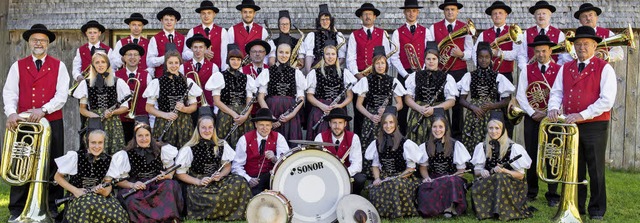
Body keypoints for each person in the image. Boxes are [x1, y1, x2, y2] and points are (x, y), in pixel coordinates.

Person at [547, 26, 617, 220]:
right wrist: (553, 107)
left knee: (595, 169)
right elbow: (556, 92)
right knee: (573, 168)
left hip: (594, 125)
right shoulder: (565, 67)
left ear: (595, 45)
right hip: (571, 124)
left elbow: (607, 100)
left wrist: (582, 114)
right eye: (578, 44)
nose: (581, 47)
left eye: (586, 44)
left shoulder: (605, 68)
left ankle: (597, 209)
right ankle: (576, 206)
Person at [3, 24, 70, 221]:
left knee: (52, 164)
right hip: (25, 124)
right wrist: (12, 113)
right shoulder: (18, 65)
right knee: (21, 163)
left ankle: (51, 206)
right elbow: (9, 93)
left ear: (48, 44)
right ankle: (17, 209)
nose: (38, 43)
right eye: (35, 40)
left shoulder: (59, 65)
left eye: (42, 40)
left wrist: (44, 110)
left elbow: (62, 95)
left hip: (51, 122)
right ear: (29, 43)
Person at [175, 116, 251, 220]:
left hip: (217, 180)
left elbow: (227, 166)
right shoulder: (189, 149)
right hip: (199, 183)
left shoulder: (221, 144)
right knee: (204, 196)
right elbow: (180, 174)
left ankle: (241, 212)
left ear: (214, 128)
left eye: (210, 127)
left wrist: (220, 175)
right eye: (204, 127)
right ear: (198, 129)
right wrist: (198, 181)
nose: (207, 131)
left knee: (240, 181)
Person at [106, 123, 183, 222]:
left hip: (157, 185)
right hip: (137, 186)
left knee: (171, 185)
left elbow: (171, 168)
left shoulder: (161, 149)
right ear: (135, 137)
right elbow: (119, 181)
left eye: (147, 135)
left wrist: (168, 175)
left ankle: (169, 218)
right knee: (131, 200)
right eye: (140, 136)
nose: (144, 138)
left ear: (151, 136)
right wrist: (133, 185)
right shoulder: (125, 154)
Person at [516, 34, 561, 205]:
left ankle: (552, 194)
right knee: (532, 154)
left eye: (544, 51)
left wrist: (549, 111)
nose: (541, 54)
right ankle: (532, 191)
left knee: (552, 154)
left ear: (550, 51)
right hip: (532, 117)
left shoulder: (560, 69)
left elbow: (561, 95)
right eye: (537, 51)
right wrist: (532, 112)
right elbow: (521, 95)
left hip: (552, 119)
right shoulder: (527, 69)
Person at [353, 46, 407, 177]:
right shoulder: (366, 80)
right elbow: (358, 105)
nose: (380, 66)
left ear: (386, 65)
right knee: (370, 143)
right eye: (377, 63)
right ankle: (370, 172)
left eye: (382, 63)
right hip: (371, 117)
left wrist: (390, 109)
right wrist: (371, 116)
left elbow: (400, 104)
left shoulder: (392, 80)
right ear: (373, 65)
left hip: (388, 118)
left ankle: (388, 170)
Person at [53, 130, 128, 223]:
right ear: (87, 142)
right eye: (93, 142)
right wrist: (75, 190)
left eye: (100, 142)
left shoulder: (109, 160)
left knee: (118, 214)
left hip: (100, 198)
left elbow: (108, 189)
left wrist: (103, 191)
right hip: (78, 197)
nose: (97, 146)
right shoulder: (76, 156)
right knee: (87, 206)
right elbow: (57, 177)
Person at [470, 111, 532, 221]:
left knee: (499, 177)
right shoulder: (482, 147)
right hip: (489, 181)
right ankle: (490, 210)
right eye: (491, 128)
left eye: (497, 128)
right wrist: (482, 171)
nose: (493, 132)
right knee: (493, 179)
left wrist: (505, 171)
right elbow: (476, 171)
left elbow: (521, 176)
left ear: (503, 129)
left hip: (510, 184)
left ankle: (501, 210)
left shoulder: (514, 148)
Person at [364, 107, 424, 218]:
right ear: (382, 125)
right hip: (385, 175)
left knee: (395, 185)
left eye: (391, 122)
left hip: (404, 177)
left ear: (396, 124)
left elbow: (410, 169)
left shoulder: (406, 143)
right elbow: (375, 165)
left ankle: (399, 212)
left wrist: (399, 177)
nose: (388, 126)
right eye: (385, 123)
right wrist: (377, 179)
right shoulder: (377, 143)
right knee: (376, 187)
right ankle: (383, 213)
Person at [429, 0, 474, 140]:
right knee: (439, 103)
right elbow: (430, 49)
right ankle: (439, 135)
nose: (450, 12)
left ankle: (457, 138)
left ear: (457, 11)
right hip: (440, 72)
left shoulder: (465, 28)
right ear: (444, 11)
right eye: (447, 9)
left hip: (459, 71)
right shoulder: (433, 28)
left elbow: (470, 52)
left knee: (458, 107)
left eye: (453, 9)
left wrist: (461, 54)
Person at [457, 42, 514, 151]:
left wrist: (493, 105)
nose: (484, 60)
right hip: (474, 114)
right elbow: (462, 100)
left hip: (492, 114)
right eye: (481, 57)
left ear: (491, 58)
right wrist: (473, 107)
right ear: (477, 58)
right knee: (473, 141)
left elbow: (507, 100)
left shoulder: (498, 76)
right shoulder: (469, 76)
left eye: (487, 57)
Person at [416, 108, 470, 218]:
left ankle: (449, 207)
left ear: (445, 128)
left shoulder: (456, 145)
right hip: (434, 178)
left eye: (441, 127)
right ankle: (436, 208)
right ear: (431, 128)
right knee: (423, 189)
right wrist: (426, 178)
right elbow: (423, 167)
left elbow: (461, 171)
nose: (437, 130)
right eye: (435, 127)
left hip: (453, 178)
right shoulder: (425, 146)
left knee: (450, 182)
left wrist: (450, 177)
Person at [73, 51, 131, 154]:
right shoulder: (85, 83)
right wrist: (95, 116)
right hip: (94, 123)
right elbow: (82, 109)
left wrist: (112, 112)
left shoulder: (117, 82)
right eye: (97, 62)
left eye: (103, 62)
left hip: (112, 123)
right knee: (94, 153)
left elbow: (125, 107)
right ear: (93, 65)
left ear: (107, 64)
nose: (100, 65)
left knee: (114, 153)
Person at [143, 50, 203, 148]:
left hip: (184, 123)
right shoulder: (157, 82)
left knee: (184, 152)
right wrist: (165, 115)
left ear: (180, 64)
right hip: (164, 122)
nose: (173, 65)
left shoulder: (187, 81)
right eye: (170, 63)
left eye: (176, 63)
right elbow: (148, 108)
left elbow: (194, 106)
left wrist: (184, 109)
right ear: (166, 64)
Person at [348, 2, 390, 136]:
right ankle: (359, 143)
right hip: (361, 79)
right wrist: (359, 76)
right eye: (365, 14)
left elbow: (386, 56)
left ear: (374, 17)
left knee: (379, 113)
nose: (367, 17)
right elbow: (350, 59)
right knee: (359, 113)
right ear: (361, 17)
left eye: (370, 14)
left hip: (378, 79)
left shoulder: (382, 34)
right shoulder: (354, 35)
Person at [405, 41, 457, 146]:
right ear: (424, 60)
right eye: (428, 59)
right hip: (418, 113)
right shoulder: (414, 76)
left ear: (438, 60)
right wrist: (419, 108)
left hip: (438, 115)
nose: (431, 62)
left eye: (434, 59)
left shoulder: (447, 77)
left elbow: (451, 101)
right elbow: (407, 98)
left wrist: (434, 109)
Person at [256, 40, 306, 145]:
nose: (283, 55)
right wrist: (269, 116)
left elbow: (301, 98)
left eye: (287, 53)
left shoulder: (297, 73)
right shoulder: (267, 72)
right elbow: (260, 97)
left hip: (290, 112)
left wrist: (292, 114)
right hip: (271, 110)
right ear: (276, 53)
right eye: (281, 52)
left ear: (290, 54)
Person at [207, 44, 257, 147]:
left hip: (243, 116)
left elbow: (250, 101)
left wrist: (245, 116)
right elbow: (217, 101)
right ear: (228, 60)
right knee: (225, 144)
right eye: (233, 59)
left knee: (244, 145)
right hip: (226, 115)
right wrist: (233, 114)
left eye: (238, 59)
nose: (235, 62)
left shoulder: (247, 78)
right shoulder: (220, 76)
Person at [232, 108, 290, 195]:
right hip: (251, 180)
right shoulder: (244, 139)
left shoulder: (279, 138)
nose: (265, 128)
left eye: (267, 125)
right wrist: (249, 179)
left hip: (272, 180)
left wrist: (274, 159)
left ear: (271, 125)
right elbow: (236, 166)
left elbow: (286, 161)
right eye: (261, 125)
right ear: (256, 124)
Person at [305, 41, 356, 139]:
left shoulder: (344, 73)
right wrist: (322, 106)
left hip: (338, 110)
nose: (330, 57)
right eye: (327, 54)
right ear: (323, 56)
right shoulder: (315, 73)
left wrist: (339, 105)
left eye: (333, 54)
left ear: (337, 56)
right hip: (320, 109)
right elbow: (309, 96)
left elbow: (349, 96)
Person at [313, 108, 365, 194]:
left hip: (346, 175)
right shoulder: (320, 137)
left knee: (360, 179)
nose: (337, 126)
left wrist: (341, 174)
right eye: (334, 123)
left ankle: (351, 199)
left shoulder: (353, 138)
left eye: (340, 123)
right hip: (326, 174)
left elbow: (357, 164)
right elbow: (316, 161)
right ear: (329, 123)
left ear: (345, 124)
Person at [473, 1, 522, 83]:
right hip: (486, 74)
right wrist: (480, 66)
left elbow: (516, 53)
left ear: (506, 14)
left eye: (500, 13)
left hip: (506, 74)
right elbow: (474, 52)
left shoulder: (514, 32)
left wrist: (499, 53)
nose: (497, 15)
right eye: (494, 13)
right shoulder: (483, 34)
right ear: (491, 16)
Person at [115, 43, 152, 143]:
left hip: (141, 118)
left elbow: (150, 98)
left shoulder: (147, 75)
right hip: (121, 119)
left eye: (135, 55)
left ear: (140, 58)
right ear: (124, 58)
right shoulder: (116, 75)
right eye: (129, 55)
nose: (132, 57)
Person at [182, 34, 220, 123]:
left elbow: (217, 91)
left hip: (208, 106)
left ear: (206, 49)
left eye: (201, 47)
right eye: (195, 47)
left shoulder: (214, 67)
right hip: (189, 107)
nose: (198, 50)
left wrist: (216, 110)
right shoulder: (182, 67)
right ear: (191, 48)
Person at [517, 1, 567, 66]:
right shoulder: (527, 33)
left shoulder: (559, 34)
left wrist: (557, 69)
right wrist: (525, 69)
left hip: (553, 72)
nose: (541, 16)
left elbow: (563, 57)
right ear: (534, 16)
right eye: (538, 14)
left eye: (544, 13)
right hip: (532, 71)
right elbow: (522, 54)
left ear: (549, 15)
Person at [184, 0, 228, 70]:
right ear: (200, 15)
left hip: (216, 71)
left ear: (214, 14)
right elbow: (185, 54)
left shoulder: (223, 31)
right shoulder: (192, 31)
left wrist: (223, 72)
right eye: (203, 13)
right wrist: (201, 53)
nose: (206, 16)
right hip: (196, 69)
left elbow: (225, 54)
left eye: (209, 13)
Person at [303, 4, 347, 74]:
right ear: (319, 22)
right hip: (317, 69)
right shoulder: (312, 36)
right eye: (322, 19)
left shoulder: (338, 36)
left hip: (334, 70)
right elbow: (309, 56)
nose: (325, 22)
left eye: (327, 19)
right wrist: (308, 73)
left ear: (330, 21)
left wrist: (330, 65)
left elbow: (342, 58)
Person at [227, 0, 275, 65]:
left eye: (250, 12)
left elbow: (271, 51)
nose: (247, 15)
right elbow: (229, 52)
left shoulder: (262, 30)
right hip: (239, 69)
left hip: (257, 69)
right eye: (245, 12)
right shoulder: (232, 30)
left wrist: (266, 64)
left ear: (254, 13)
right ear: (241, 13)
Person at [147, 7, 189, 78]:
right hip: (161, 77)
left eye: (171, 20)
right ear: (162, 21)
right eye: (166, 20)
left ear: (175, 21)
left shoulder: (183, 38)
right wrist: (165, 58)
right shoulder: (155, 39)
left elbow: (185, 57)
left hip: (179, 77)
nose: (169, 22)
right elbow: (149, 62)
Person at [242, 39, 270, 116]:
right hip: (248, 112)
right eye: (254, 51)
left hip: (266, 112)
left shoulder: (271, 70)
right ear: (249, 54)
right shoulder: (242, 71)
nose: (257, 54)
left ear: (265, 53)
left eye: (260, 51)